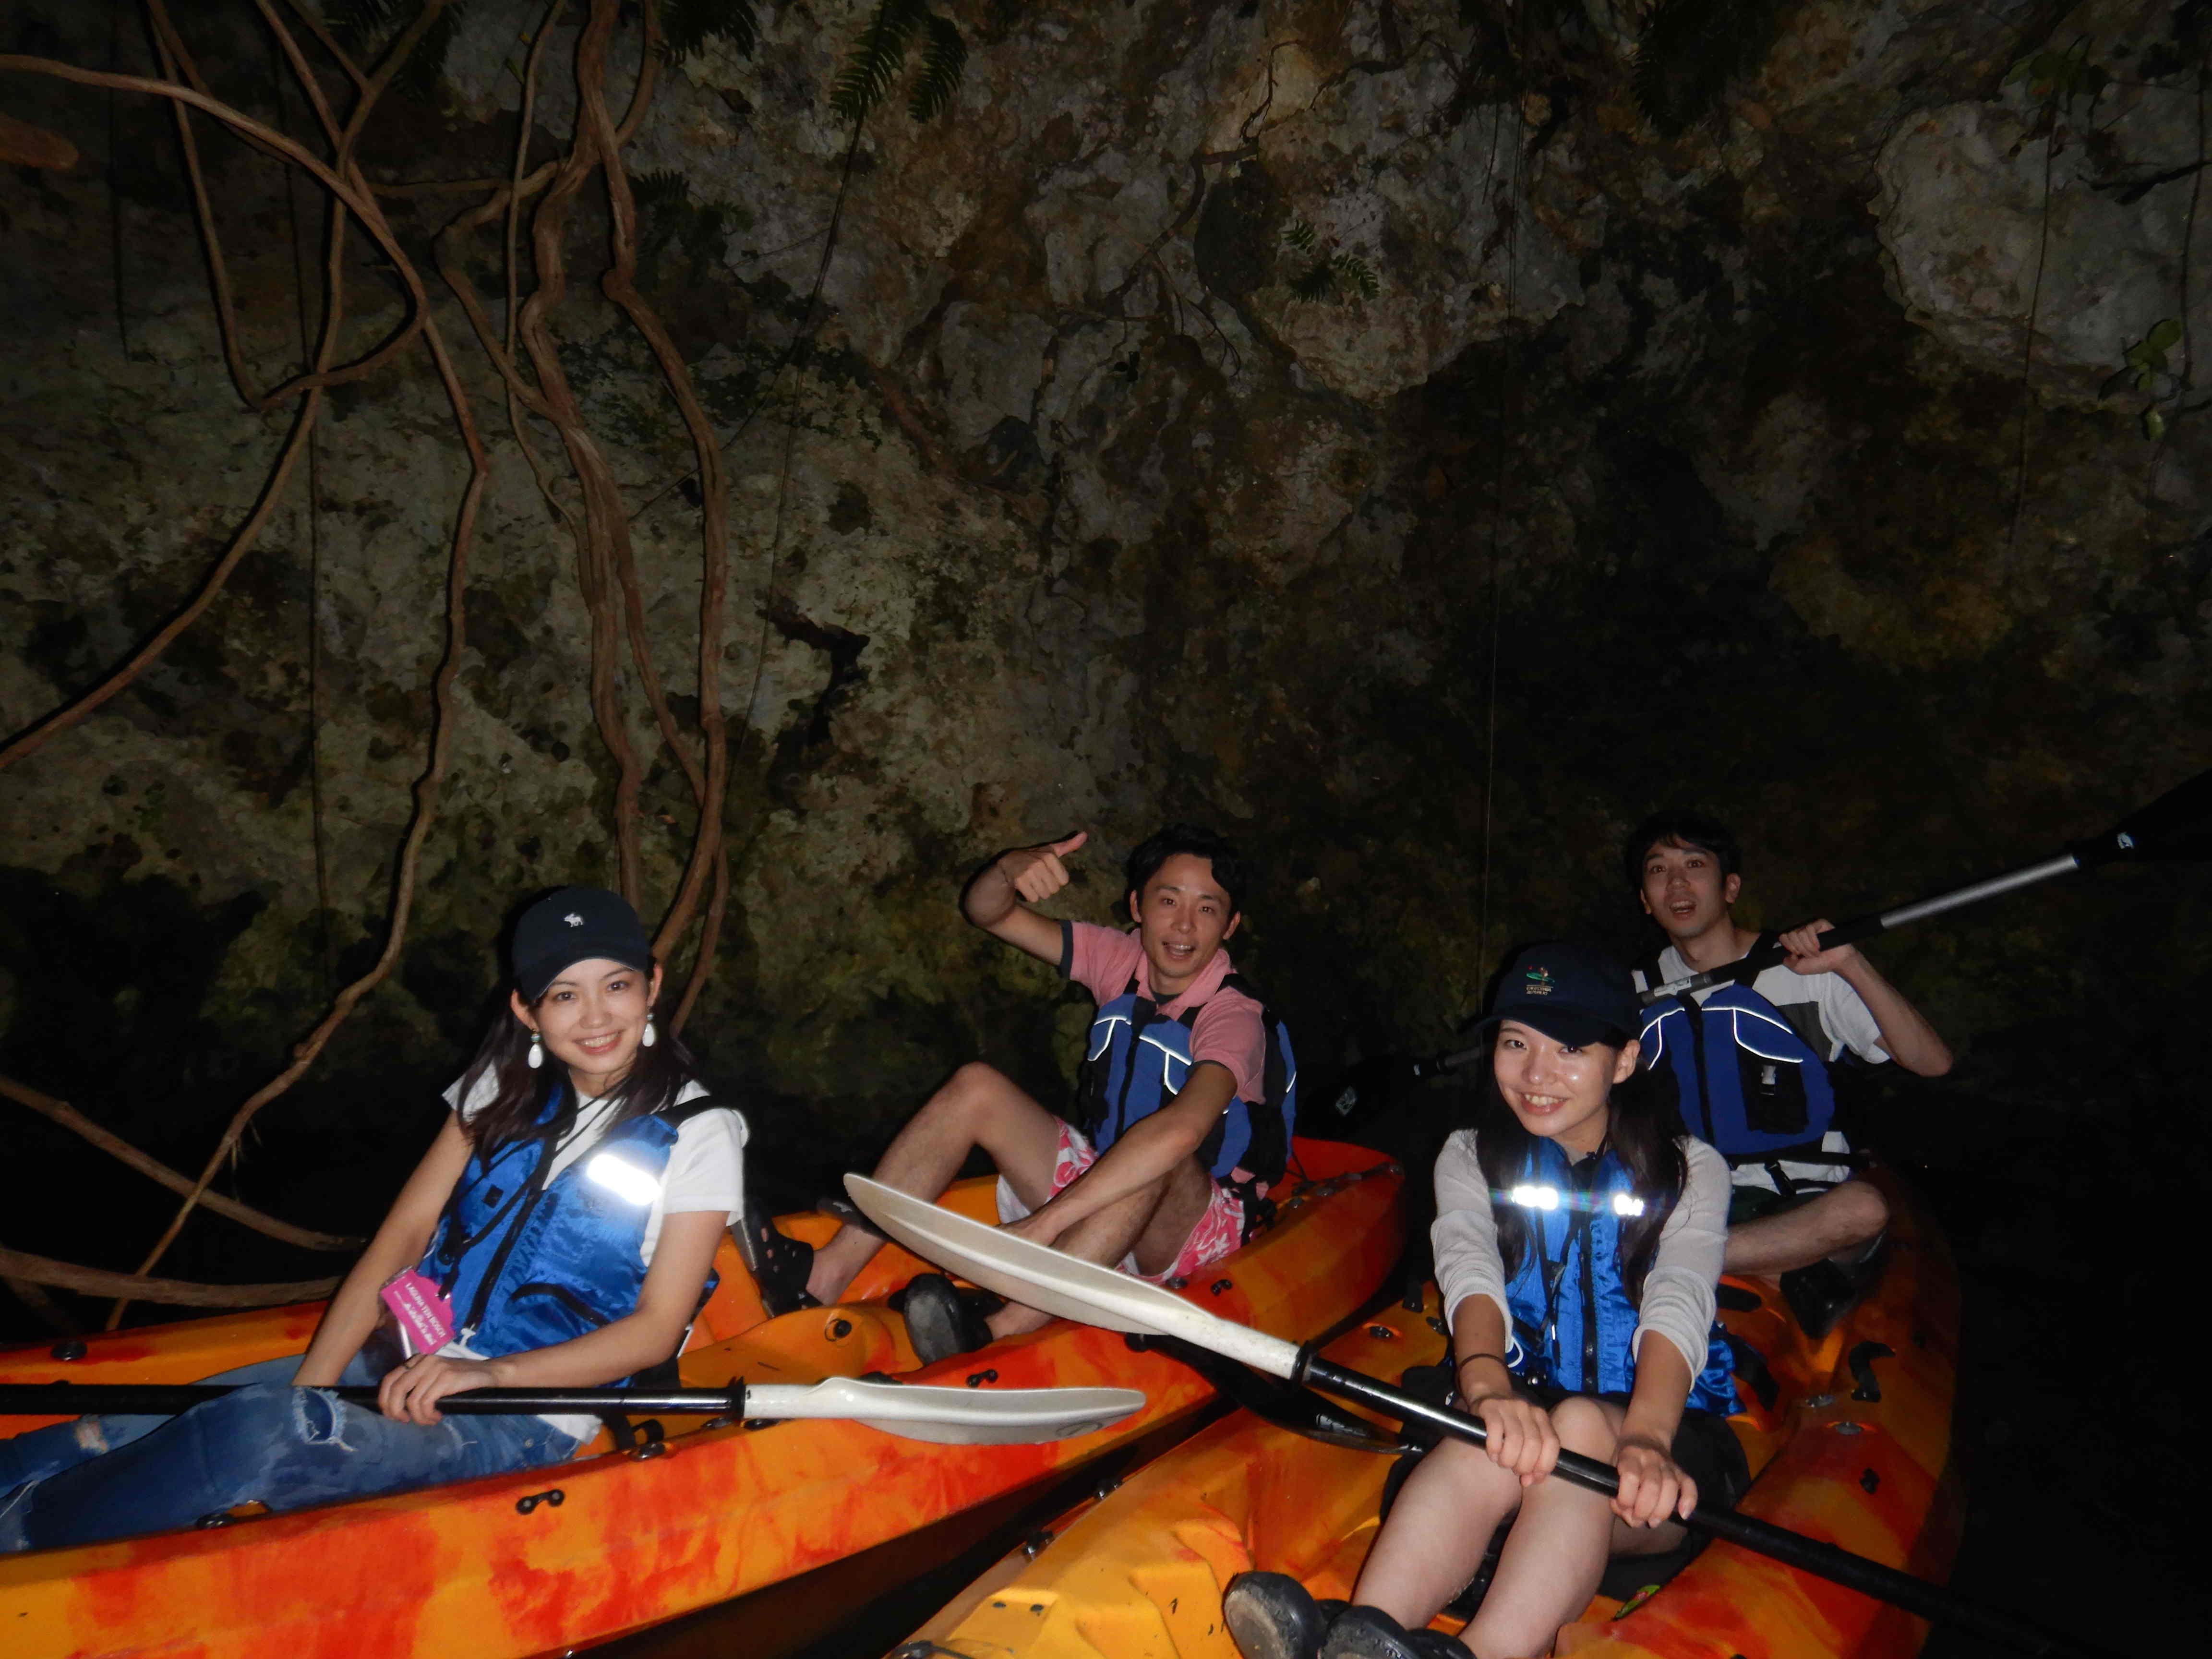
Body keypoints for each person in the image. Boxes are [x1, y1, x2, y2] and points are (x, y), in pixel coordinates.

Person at [0, 886, 745, 1553]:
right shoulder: (502, 1085)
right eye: (564, 995)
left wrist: (488, 1375)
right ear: (525, 1009)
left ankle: (27, 1542)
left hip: (522, 1413)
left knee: (256, 1435)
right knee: (134, 1419)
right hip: (399, 1352)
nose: (596, 1017)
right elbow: (405, 1237)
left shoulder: (701, 1131)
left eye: (616, 985)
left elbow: (655, 1325)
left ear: (651, 984)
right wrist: (315, 1387)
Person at [1225, 942, 1738, 1659]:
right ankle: (1360, 1636)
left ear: (1623, 1062)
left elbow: (1678, 1298)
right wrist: (1488, 1385)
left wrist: (1650, 1440)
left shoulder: (1693, 1171)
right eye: (1515, 1043)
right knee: (1488, 1438)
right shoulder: (1470, 1154)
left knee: (1585, 1423)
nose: (1535, 1075)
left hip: (1651, 1455)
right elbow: (1470, 1270)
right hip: (1520, 1415)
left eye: (1570, 1049)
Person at [801, 823, 1295, 1363]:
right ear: (1137, 905)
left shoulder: (1235, 1018)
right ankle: (826, 1275)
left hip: (1191, 1228)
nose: (1183, 924)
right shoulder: (1118, 960)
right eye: (1168, 900)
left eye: (1207, 909)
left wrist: (1044, 1225)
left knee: (1161, 1155)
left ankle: (1002, 1328)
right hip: (1103, 1190)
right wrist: (1007, 870)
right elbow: (988, 912)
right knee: (976, 1086)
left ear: (1230, 926)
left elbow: (1184, 1131)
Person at [1624, 812, 1951, 1288]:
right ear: (1645, 901)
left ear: (1730, 887)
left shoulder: (1804, 971)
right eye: (1658, 870)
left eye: (1695, 865)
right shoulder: (1629, 994)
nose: (1677, 883)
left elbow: (1933, 1062)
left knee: (1863, 1209)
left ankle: (1677, 1256)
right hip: (1686, 1198)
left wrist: (1850, 964)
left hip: (1801, 1197)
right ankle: (1715, 1257)